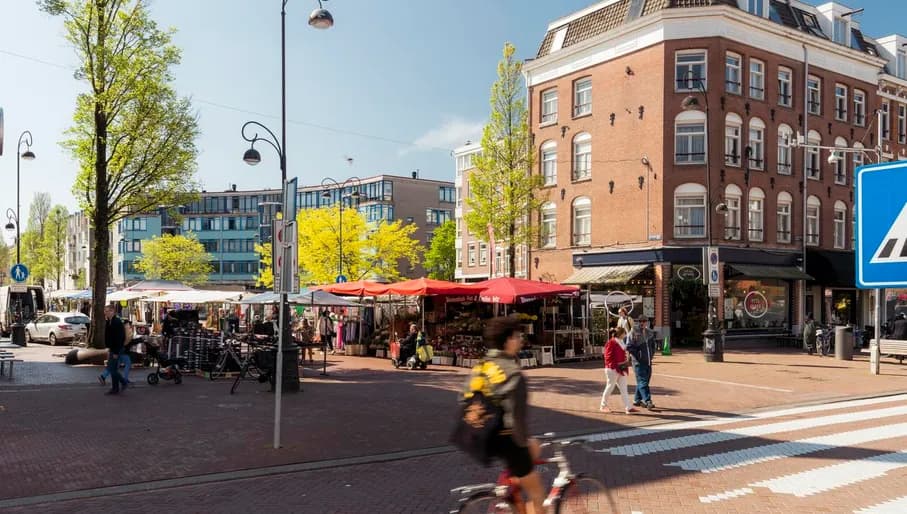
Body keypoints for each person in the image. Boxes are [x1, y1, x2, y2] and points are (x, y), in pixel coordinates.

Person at [466, 316, 544, 514]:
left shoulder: (482, 365)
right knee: (537, 495)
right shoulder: (513, 373)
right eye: (517, 336)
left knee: (520, 474)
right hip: (504, 438)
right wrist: (525, 443)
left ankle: (513, 495)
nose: (520, 340)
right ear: (508, 340)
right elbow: (517, 418)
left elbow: (463, 397)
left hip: (477, 433)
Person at [600, 327, 635, 414]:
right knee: (610, 387)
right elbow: (607, 357)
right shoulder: (611, 342)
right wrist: (616, 364)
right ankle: (603, 405)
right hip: (612, 368)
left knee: (624, 388)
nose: (625, 335)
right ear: (620, 334)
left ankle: (628, 407)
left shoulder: (621, 341)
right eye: (624, 333)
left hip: (620, 368)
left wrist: (624, 361)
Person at [627, 318, 657, 410]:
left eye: (644, 321)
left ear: (647, 322)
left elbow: (653, 345)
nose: (642, 323)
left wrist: (651, 355)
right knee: (643, 382)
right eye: (640, 321)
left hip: (648, 361)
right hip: (638, 362)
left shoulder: (649, 332)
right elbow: (629, 346)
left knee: (644, 381)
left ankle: (637, 400)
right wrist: (638, 356)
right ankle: (648, 401)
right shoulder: (634, 331)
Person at [103, 304, 128, 395]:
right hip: (112, 348)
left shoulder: (117, 322)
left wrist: (116, 352)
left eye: (108, 311)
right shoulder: (109, 321)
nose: (106, 313)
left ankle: (122, 383)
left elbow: (119, 338)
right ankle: (115, 388)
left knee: (112, 369)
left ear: (113, 311)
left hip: (116, 349)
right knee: (112, 368)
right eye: (105, 311)